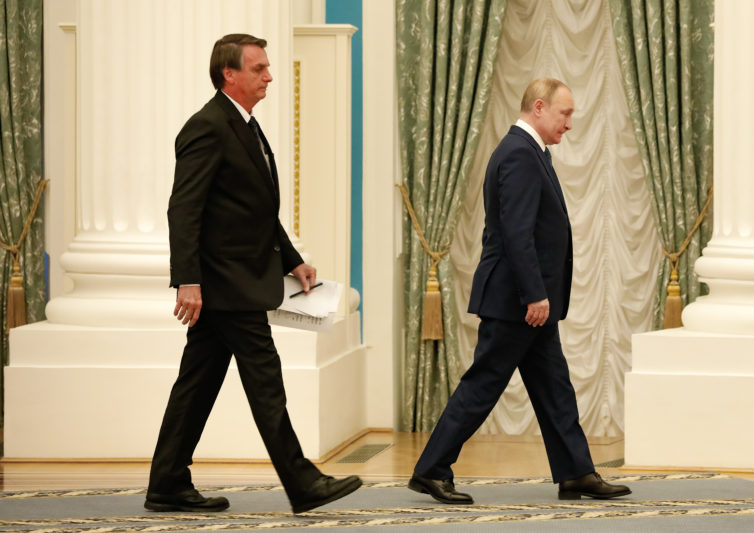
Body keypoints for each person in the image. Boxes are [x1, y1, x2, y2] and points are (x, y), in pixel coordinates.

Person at [145, 34, 362, 514]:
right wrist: (188, 280)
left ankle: (167, 482)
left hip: (235, 283)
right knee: (266, 382)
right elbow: (184, 210)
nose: (269, 76)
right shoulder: (207, 126)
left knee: (196, 384)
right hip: (226, 286)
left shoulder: (243, 124)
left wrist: (292, 259)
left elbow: (257, 210)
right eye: (259, 68)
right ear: (230, 74)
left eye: (267, 68)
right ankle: (302, 482)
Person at [408, 78, 631, 503]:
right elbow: (516, 231)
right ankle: (431, 469)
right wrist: (534, 294)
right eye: (565, 113)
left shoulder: (530, 152)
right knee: (484, 384)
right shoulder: (518, 153)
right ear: (540, 107)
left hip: (527, 300)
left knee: (554, 387)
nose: (570, 123)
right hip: (517, 301)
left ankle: (576, 472)